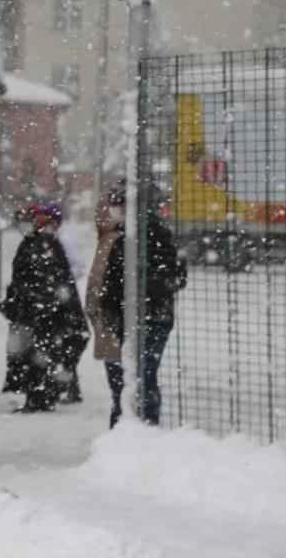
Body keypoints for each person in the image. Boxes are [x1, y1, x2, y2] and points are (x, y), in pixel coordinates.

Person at [85, 180, 185, 428]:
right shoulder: (158, 234)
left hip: (126, 319)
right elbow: (177, 277)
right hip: (153, 315)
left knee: (126, 379)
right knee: (145, 375)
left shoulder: (125, 239)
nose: (112, 209)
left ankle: (127, 427)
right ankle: (144, 425)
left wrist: (106, 311)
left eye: (117, 204)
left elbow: (110, 284)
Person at [0, 203, 90, 412]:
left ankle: (40, 397)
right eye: (35, 219)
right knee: (47, 351)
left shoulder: (43, 244)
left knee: (40, 352)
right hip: (43, 310)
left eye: (40, 220)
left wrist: (33, 303)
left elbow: (43, 279)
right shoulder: (45, 243)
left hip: (40, 312)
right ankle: (48, 392)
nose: (34, 223)